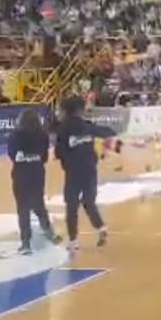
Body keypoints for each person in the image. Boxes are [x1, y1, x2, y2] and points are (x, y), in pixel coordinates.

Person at [54, 96, 117, 252]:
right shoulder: (87, 126)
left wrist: (66, 159)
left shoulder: (63, 128)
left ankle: (73, 240)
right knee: (89, 201)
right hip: (89, 169)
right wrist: (104, 150)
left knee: (72, 205)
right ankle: (101, 227)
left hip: (73, 171)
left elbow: (58, 152)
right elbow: (109, 132)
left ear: (65, 110)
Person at [7, 109, 61, 254]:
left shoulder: (14, 136)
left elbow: (12, 156)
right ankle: (50, 233)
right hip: (37, 173)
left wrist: (23, 158)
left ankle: (25, 243)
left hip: (20, 174)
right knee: (39, 205)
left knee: (22, 209)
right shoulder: (42, 135)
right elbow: (44, 157)